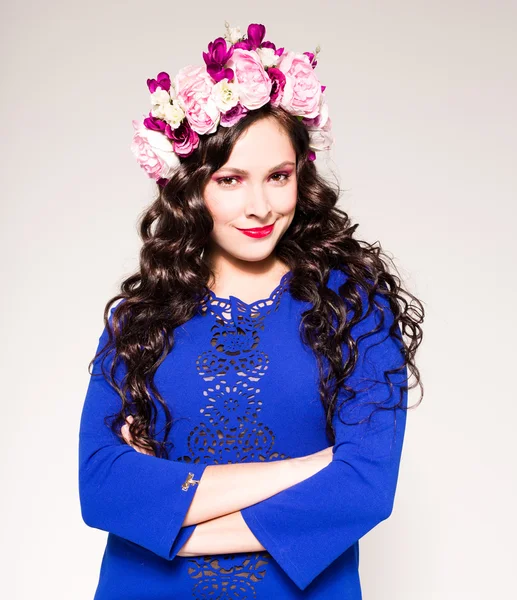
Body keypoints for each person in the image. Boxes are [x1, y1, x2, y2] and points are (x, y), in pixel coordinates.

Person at [78, 21, 425, 599]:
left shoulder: (351, 307)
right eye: (231, 179)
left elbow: (364, 487)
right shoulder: (141, 318)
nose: (260, 205)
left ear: (302, 177)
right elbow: (102, 487)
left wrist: (168, 524)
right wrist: (312, 467)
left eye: (278, 177)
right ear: (192, 187)